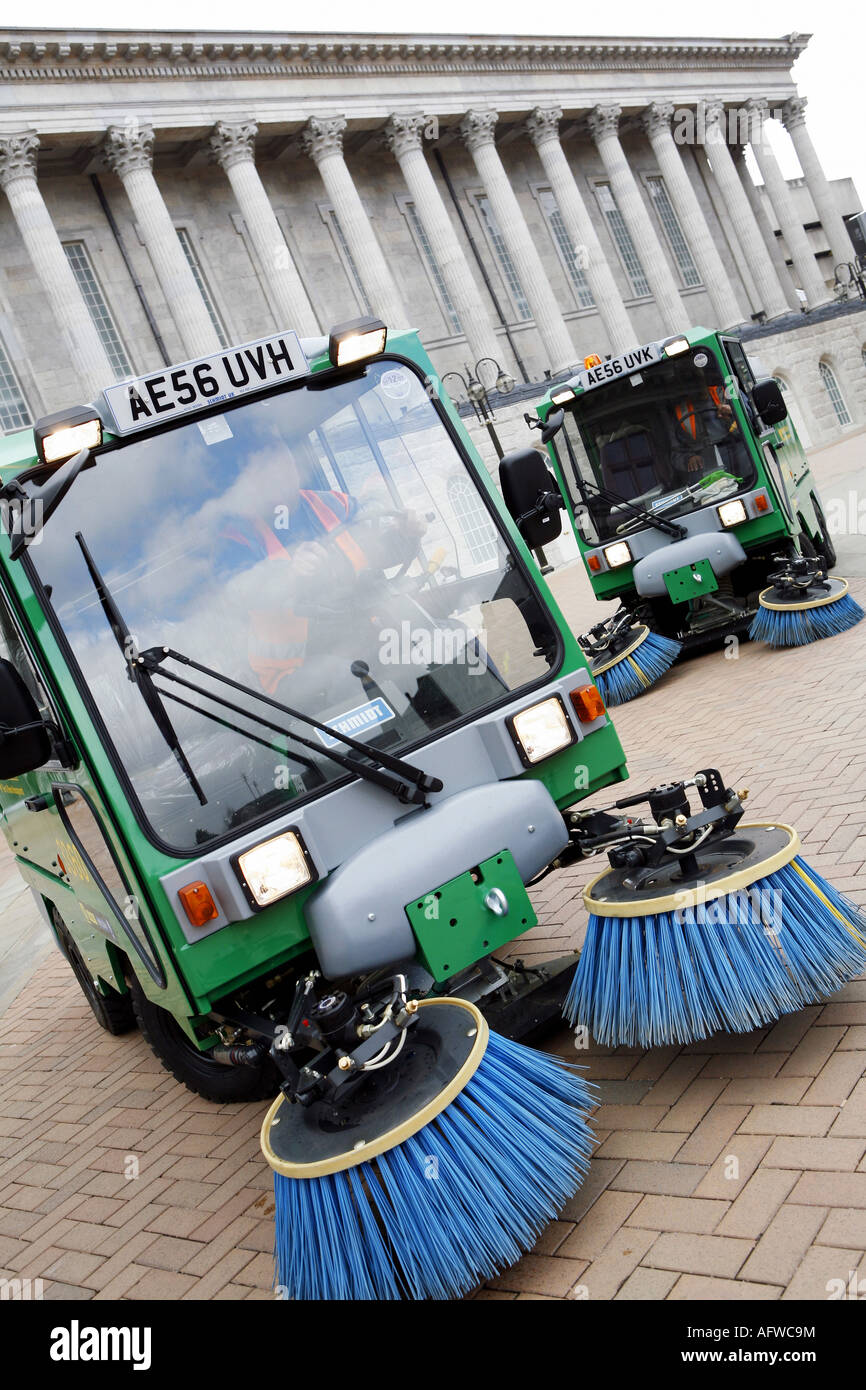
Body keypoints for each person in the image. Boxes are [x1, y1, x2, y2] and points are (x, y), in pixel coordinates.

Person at [216, 437, 426, 698]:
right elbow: (237, 597)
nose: (282, 474)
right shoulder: (236, 540)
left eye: (286, 462)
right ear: (247, 478)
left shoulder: (335, 506)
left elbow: (376, 552)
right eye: (268, 467)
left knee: (433, 651)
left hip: (360, 637)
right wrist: (290, 575)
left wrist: (406, 535)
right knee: (345, 679)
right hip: (292, 670)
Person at [670, 384, 740, 477]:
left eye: (695, 373)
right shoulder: (679, 411)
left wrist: (734, 413)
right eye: (686, 377)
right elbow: (676, 451)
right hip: (706, 469)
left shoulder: (726, 390)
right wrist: (688, 458)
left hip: (740, 450)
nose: (692, 380)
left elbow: (752, 419)